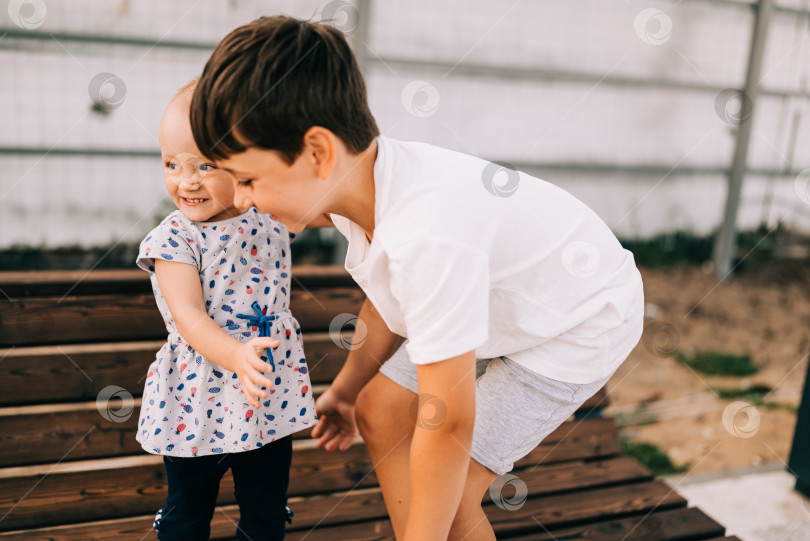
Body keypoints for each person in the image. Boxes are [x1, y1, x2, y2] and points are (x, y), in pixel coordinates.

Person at [189, 16, 644, 541]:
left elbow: (447, 421)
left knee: (451, 508)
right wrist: (344, 391)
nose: (239, 200)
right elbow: (391, 300)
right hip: (506, 295)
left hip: (580, 317)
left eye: (246, 180)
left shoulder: (425, 237)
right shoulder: (361, 182)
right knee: (378, 409)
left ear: (317, 152)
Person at [135, 81, 319, 541]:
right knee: (188, 510)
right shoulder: (174, 240)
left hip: (266, 394)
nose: (187, 180)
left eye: (205, 164)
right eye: (171, 164)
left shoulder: (269, 215)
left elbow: (324, 204)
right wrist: (236, 356)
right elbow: (188, 316)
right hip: (199, 398)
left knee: (266, 509)